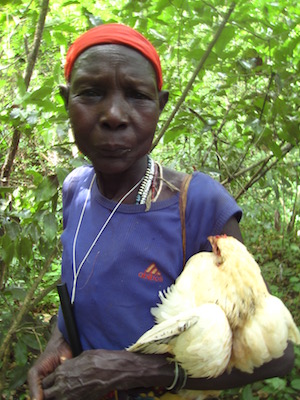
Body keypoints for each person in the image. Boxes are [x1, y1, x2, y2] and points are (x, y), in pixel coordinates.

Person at [28, 23, 295, 400]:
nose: (115, 115)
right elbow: (83, 293)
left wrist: (129, 370)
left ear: (160, 106)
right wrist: (59, 343)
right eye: (91, 93)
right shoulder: (76, 190)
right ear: (66, 100)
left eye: (137, 96)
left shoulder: (201, 206)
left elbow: (277, 356)